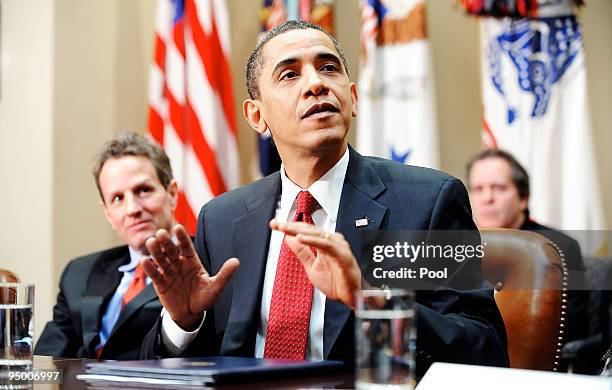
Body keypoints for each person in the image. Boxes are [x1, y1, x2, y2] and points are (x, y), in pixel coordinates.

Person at [141, 20, 508, 373]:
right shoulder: (221, 220)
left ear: (352, 97)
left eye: (328, 68)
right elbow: (196, 368)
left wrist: (375, 298)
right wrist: (182, 323)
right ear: (257, 116)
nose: (316, 84)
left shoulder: (424, 203)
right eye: (290, 74)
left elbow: (485, 349)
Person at [35, 132, 178, 360]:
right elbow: (47, 360)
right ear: (107, 213)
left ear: (171, 194)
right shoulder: (79, 272)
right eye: (118, 198)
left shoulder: (205, 262)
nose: (132, 209)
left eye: (143, 190)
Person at [467, 148, 588, 344]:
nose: (487, 198)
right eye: (478, 189)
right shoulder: (456, 245)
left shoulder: (558, 247)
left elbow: (570, 327)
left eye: (499, 188)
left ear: (523, 198)